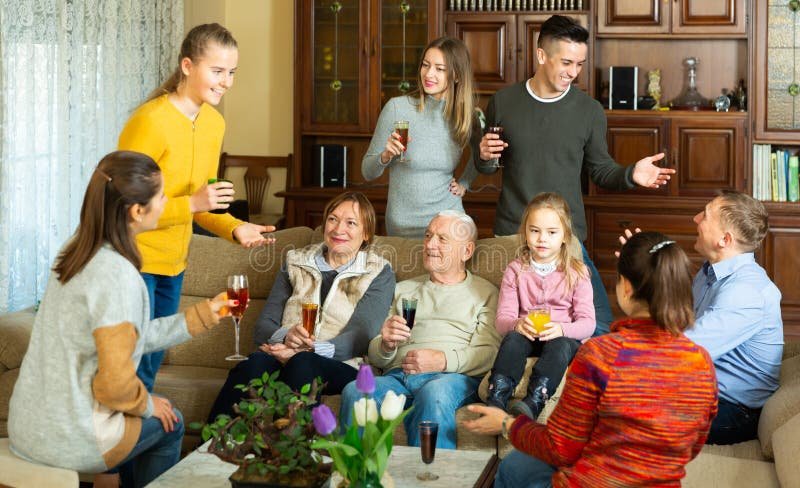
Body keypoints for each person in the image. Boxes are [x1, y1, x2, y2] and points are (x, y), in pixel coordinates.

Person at [7, 151, 235, 488]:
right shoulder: (116, 274)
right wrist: (147, 405)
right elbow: (114, 387)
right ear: (136, 211)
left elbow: (129, 335)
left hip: (27, 426)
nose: (166, 202)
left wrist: (200, 316)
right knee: (171, 423)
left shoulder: (75, 251)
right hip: (70, 437)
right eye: (161, 196)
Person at [464, 231, 718, 488]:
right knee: (519, 466)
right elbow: (692, 445)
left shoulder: (600, 354)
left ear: (626, 288)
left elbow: (559, 448)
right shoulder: (702, 363)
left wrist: (507, 423)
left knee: (511, 468)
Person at [472, 15, 674, 335]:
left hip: (567, 240)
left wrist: (630, 174)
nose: (573, 73)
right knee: (509, 328)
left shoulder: (589, 110)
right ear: (541, 56)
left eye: (579, 64)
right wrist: (483, 155)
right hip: (513, 236)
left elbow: (600, 170)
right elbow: (487, 167)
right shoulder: (503, 102)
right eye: (566, 62)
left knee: (600, 326)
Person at [118, 23, 273, 392]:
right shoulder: (150, 121)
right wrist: (193, 202)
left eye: (232, 72)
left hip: (174, 265)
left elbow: (202, 206)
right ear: (187, 66)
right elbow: (122, 206)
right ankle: (117, 445)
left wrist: (235, 228)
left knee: (149, 374)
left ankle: (139, 443)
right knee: (128, 372)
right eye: (217, 71)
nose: (227, 81)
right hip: (133, 264)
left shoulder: (213, 124)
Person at [207, 191, 395, 421]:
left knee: (303, 363)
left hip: (344, 366)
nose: (338, 229)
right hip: (284, 353)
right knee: (254, 364)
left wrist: (306, 350)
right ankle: (212, 447)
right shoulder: (295, 261)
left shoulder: (378, 271)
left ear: (366, 233)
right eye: (332, 219)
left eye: (351, 223)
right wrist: (286, 337)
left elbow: (360, 336)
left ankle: (290, 453)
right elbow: (263, 327)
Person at [339, 210, 501, 448]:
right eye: (428, 236)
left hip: (452, 378)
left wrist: (444, 360)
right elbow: (375, 355)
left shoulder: (485, 292)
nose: (429, 244)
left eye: (442, 239)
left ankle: (431, 479)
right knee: (356, 391)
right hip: (398, 377)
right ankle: (358, 478)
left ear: (466, 251)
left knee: (434, 393)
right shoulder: (403, 289)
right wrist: (385, 344)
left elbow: (489, 353)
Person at [682, 191, 782, 444]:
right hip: (702, 389)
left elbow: (683, 351)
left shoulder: (746, 292)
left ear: (724, 240)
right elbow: (681, 327)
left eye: (704, 216)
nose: (695, 219)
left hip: (734, 411)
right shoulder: (708, 274)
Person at [485, 193, 594, 421]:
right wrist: (517, 324)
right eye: (534, 231)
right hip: (528, 335)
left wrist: (562, 329)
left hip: (561, 338)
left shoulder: (577, 272)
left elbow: (588, 324)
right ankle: (497, 395)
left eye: (552, 232)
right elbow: (502, 320)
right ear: (525, 233)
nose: (542, 238)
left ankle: (535, 399)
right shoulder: (515, 270)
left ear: (565, 236)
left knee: (560, 345)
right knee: (513, 339)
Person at [362, 36, 480, 238]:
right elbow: (367, 172)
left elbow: (483, 154)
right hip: (403, 225)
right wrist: (385, 156)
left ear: (457, 76)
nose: (429, 74)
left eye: (440, 69)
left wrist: (465, 183)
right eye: (425, 65)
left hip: (448, 221)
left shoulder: (466, 116)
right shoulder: (397, 108)